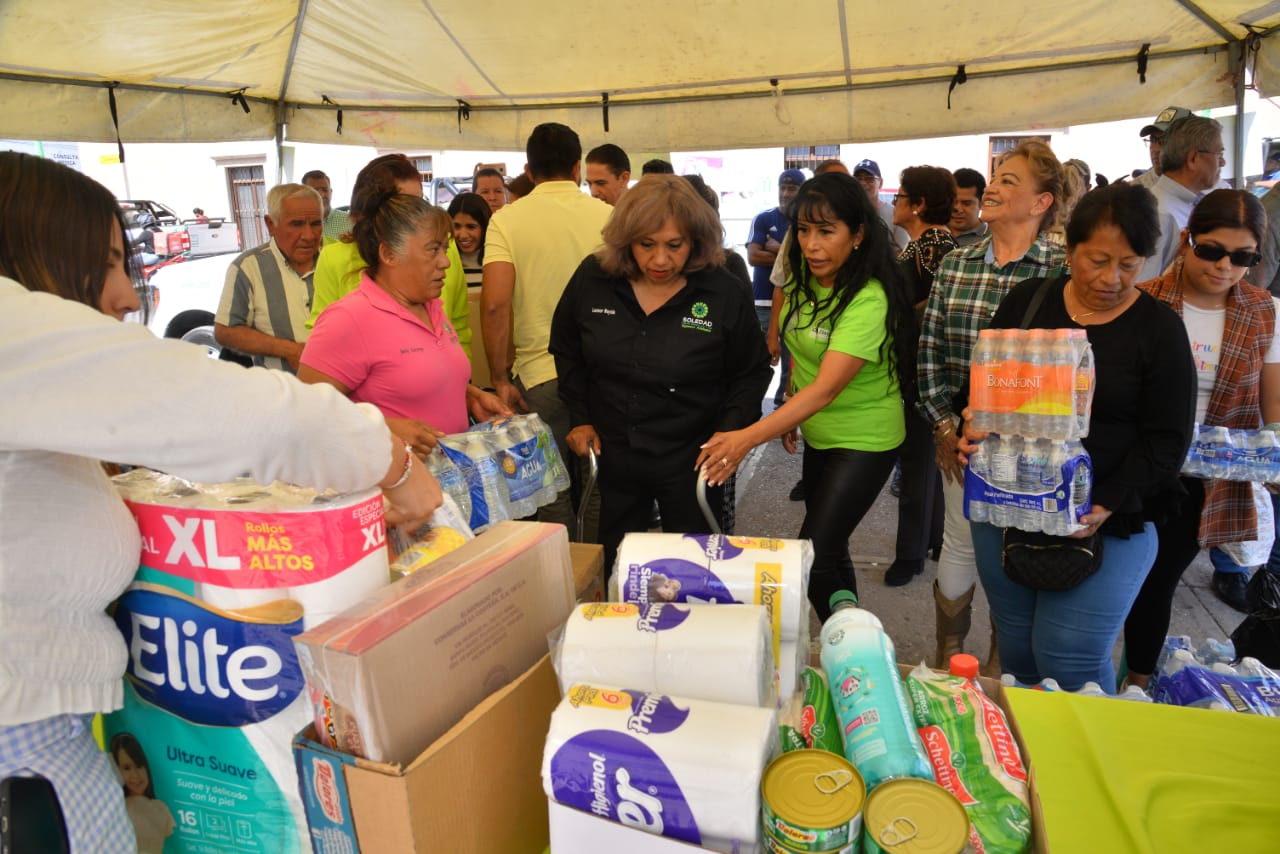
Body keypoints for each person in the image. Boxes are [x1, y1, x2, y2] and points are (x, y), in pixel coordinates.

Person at [0, 150, 440, 853]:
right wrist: (389, 462)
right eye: (110, 262)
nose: (124, 293)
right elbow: (240, 414)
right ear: (36, 254)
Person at [958, 181, 1196, 692]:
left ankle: (1088, 767)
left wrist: (1105, 503)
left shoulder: (1158, 329)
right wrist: (970, 430)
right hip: (1009, 505)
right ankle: (1028, 766)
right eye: (1097, 260)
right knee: (1017, 655)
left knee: (1069, 659)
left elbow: (1167, 441)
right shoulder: (1028, 302)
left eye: (1129, 265)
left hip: (1109, 520)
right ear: (1069, 249)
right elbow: (980, 392)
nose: (1112, 278)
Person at [697, 173, 914, 621]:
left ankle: (851, 643)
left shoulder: (869, 299)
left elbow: (828, 387)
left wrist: (746, 437)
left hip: (866, 440)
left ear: (857, 235)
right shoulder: (804, 281)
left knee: (812, 557)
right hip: (821, 434)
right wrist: (791, 408)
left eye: (826, 231)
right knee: (831, 551)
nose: (812, 245)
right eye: (803, 231)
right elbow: (804, 358)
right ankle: (847, 635)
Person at [550, 175, 771, 574]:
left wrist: (732, 432)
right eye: (645, 245)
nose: (660, 261)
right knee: (618, 566)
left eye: (675, 245)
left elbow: (751, 372)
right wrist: (580, 417)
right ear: (625, 241)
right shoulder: (594, 278)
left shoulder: (721, 290)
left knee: (698, 571)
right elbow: (567, 351)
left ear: (696, 241)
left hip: (693, 454)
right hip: (615, 450)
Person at [917, 140, 1067, 668]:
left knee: (1019, 551)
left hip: (1035, 450)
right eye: (995, 177)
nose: (993, 187)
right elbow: (929, 350)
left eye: (1009, 180)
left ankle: (1007, 665)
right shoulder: (957, 263)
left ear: (1042, 202)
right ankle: (948, 655)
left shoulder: (1063, 268)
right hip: (963, 439)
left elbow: (1072, 369)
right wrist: (943, 428)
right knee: (959, 542)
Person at [1122, 190, 1279, 685]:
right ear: (1187, 240)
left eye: (1242, 257)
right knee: (1116, 579)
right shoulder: (1142, 298)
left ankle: (1138, 683)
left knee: (1158, 581)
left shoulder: (1265, 311)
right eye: (1211, 250)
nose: (1223, 266)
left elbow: (1272, 408)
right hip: (1134, 463)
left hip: (1203, 479)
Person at [482, 122, 612, 533]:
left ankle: (561, 582)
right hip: (604, 376)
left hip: (540, 376)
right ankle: (596, 577)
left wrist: (500, 377)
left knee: (549, 493)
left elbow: (496, 304)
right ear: (577, 167)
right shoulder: (610, 216)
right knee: (598, 487)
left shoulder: (507, 220)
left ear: (528, 169)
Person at [299, 192, 509, 442]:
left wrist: (469, 396)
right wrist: (384, 430)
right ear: (388, 254)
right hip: (387, 479)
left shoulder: (432, 308)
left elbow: (414, 382)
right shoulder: (349, 318)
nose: (445, 262)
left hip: (447, 477)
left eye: (444, 248)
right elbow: (306, 414)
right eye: (433, 250)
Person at [306, 154, 470, 368]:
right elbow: (320, 343)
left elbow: (458, 325)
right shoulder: (336, 258)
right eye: (403, 205)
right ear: (371, 210)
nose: (416, 214)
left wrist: (462, 383)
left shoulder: (444, 250)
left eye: (419, 203)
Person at [885, 166, 958, 587]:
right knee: (923, 463)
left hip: (922, 367)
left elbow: (937, 306)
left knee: (916, 462)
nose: (894, 202)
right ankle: (928, 542)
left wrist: (902, 318)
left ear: (919, 204)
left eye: (901, 196)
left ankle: (910, 554)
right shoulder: (923, 243)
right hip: (916, 363)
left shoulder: (935, 242)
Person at [213, 183, 323, 373]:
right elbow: (225, 331)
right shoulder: (248, 268)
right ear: (271, 224)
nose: (308, 235)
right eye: (296, 224)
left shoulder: (336, 262)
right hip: (280, 394)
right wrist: (290, 350)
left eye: (315, 223)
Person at [1139, 115, 1225, 281]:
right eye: (1219, 153)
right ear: (1193, 159)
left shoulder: (1187, 204)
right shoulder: (1160, 214)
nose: (1223, 162)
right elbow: (1142, 288)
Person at [748, 169, 804, 408]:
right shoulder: (764, 218)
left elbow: (806, 262)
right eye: (782, 187)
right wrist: (787, 256)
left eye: (791, 188)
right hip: (762, 302)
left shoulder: (804, 222)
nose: (785, 193)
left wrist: (775, 247)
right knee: (758, 359)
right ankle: (749, 406)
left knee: (791, 361)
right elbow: (752, 256)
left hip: (793, 303)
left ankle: (784, 407)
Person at [110, 733, 172, 854]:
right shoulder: (115, 809)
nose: (135, 775)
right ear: (116, 770)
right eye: (126, 768)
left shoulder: (160, 808)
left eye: (139, 766)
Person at [852, 158, 909, 252]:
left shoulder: (895, 214)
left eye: (869, 178)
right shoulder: (848, 213)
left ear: (881, 183)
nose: (862, 183)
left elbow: (903, 251)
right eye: (858, 179)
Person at [1135, 106, 1193, 190]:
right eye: (1152, 140)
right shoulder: (1136, 190)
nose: (1155, 149)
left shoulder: (1208, 190)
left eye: (1165, 140)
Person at [447, 192, 491, 291]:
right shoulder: (442, 264)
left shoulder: (496, 263)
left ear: (485, 227)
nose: (463, 235)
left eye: (471, 227)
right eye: (456, 226)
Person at [302, 168, 353, 240]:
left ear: (331, 192)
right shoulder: (296, 223)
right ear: (304, 195)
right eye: (315, 191)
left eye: (325, 190)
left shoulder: (350, 222)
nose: (321, 195)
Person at [950, 168, 989, 247]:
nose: (958, 209)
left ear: (982, 203)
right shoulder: (934, 233)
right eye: (953, 202)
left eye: (966, 203)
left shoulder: (992, 240)